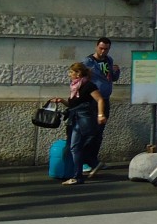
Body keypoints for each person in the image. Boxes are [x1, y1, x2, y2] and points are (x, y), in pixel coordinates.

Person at [51, 62, 107, 186]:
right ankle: (93, 164)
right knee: (75, 147)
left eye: (71, 72)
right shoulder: (75, 86)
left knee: (75, 147)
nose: (69, 74)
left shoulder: (88, 85)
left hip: (82, 120)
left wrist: (101, 114)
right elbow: (73, 105)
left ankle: (78, 176)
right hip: (75, 118)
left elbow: (100, 99)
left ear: (78, 73)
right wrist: (62, 101)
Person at [81, 36, 120, 177]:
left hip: (105, 99)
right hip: (93, 101)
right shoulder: (88, 62)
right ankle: (83, 161)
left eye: (106, 49)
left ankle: (93, 160)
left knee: (99, 132)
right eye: (101, 48)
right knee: (90, 132)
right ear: (96, 46)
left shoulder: (109, 60)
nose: (103, 51)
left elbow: (111, 78)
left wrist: (116, 72)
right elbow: (79, 79)